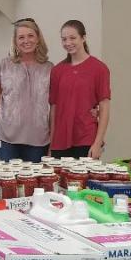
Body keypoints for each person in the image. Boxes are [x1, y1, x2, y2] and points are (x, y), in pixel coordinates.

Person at [0, 18, 52, 163]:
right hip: (7, 141)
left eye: (30, 36)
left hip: (39, 141)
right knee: (6, 184)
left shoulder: (50, 69)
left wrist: (53, 140)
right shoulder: (3, 66)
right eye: (21, 37)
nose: (26, 41)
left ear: (38, 38)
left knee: (34, 185)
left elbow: (54, 108)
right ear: (15, 42)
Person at [49, 19, 111, 160]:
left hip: (86, 138)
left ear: (83, 38)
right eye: (64, 39)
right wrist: (51, 144)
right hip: (60, 141)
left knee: (84, 182)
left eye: (72, 38)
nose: (68, 43)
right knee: (60, 182)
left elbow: (104, 107)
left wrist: (97, 143)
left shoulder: (99, 69)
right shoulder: (57, 71)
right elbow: (54, 109)